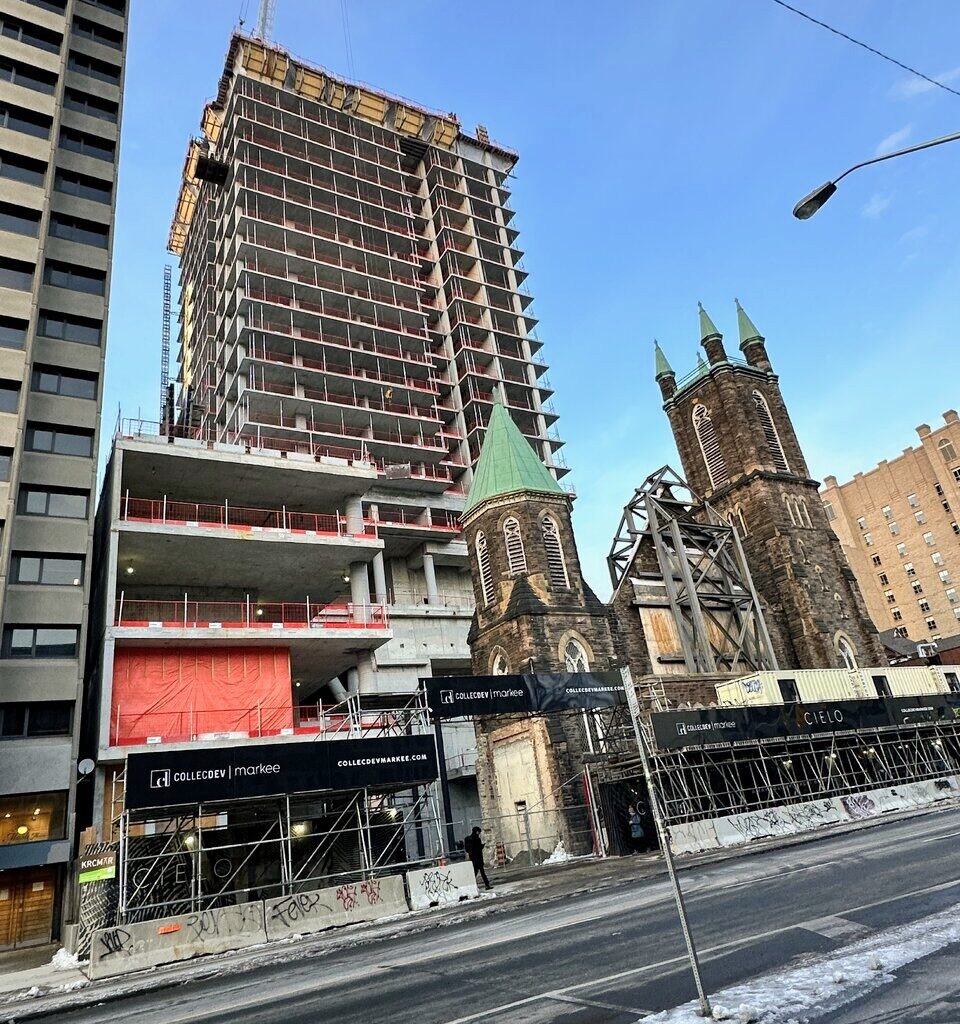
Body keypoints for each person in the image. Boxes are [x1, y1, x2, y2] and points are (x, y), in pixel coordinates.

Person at [464, 826, 492, 890]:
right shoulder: (477, 839)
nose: (479, 833)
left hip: (473, 858)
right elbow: (478, 848)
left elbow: (469, 850)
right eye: (478, 832)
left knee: (475, 872)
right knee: (481, 872)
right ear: (477, 832)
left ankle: (471, 884)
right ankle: (486, 884)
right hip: (478, 858)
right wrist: (482, 846)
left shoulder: (468, 839)